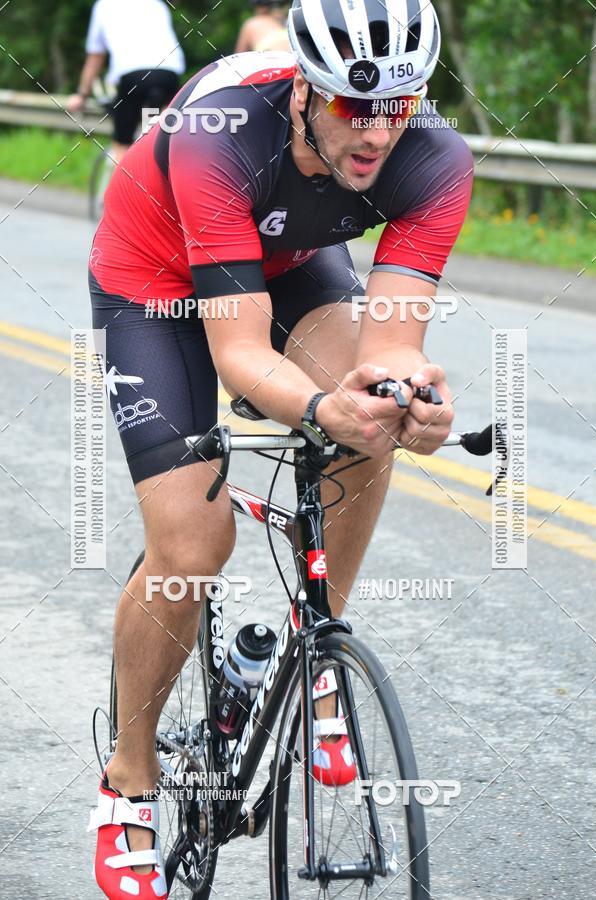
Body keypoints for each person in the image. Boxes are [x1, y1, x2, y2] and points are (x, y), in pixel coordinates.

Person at [87, 0, 473, 896]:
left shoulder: (436, 158)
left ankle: (317, 655)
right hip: (156, 281)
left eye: (400, 105)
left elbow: (391, 349)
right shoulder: (219, 132)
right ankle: (129, 781)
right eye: (352, 104)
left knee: (371, 413)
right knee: (192, 547)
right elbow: (240, 356)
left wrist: (411, 397)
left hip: (293, 265)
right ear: (303, 89)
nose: (377, 131)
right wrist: (321, 407)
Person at [67, 0, 185, 164]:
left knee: (122, 144)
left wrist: (82, 94)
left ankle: (125, 181)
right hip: (169, 75)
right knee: (166, 137)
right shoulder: (157, 4)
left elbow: (95, 57)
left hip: (133, 76)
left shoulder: (104, 6)